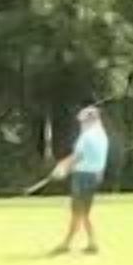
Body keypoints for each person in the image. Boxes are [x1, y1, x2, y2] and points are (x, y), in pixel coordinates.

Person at [37, 102, 112, 255]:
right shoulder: (102, 135)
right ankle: (91, 243)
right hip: (93, 176)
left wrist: (62, 167)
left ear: (90, 120)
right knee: (82, 212)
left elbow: (77, 156)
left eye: (83, 121)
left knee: (79, 211)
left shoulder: (87, 136)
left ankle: (68, 244)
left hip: (83, 176)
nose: (81, 124)